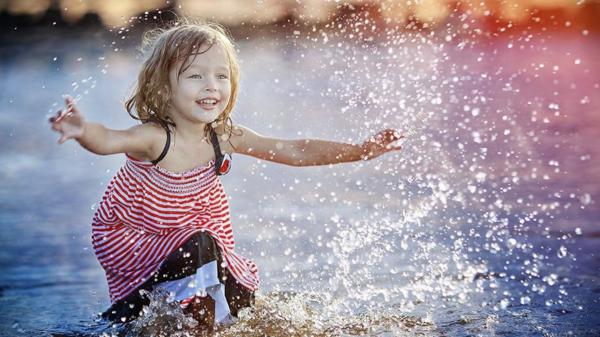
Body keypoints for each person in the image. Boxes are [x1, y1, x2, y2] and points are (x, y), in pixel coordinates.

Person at [48, 20, 404, 330]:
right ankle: (169, 317)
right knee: (201, 245)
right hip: (136, 239)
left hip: (195, 239)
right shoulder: (156, 137)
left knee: (236, 290)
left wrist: (359, 150)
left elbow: (294, 150)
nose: (211, 86)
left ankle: (213, 321)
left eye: (222, 76)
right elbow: (110, 139)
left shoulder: (223, 136)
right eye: (194, 75)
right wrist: (82, 130)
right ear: (163, 87)